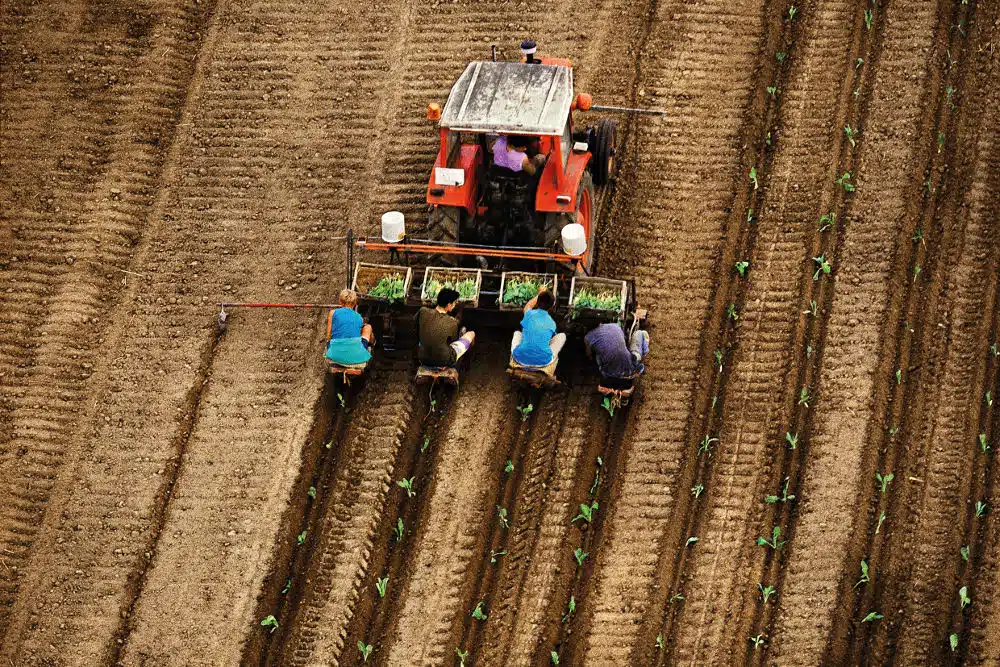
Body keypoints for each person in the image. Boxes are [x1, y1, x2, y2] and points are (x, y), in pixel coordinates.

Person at [510, 286, 565, 373]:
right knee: (562, 336)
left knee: (517, 333)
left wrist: (539, 293)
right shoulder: (552, 323)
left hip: (520, 358)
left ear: (537, 303)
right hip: (543, 362)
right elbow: (551, 338)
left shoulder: (529, 314)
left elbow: (528, 306)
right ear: (551, 307)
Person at [416, 287, 476, 367]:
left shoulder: (423, 311)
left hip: (422, 357)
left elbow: (416, 327)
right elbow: (453, 341)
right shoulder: (452, 322)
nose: (454, 305)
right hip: (444, 361)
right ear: (449, 305)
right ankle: (467, 361)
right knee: (471, 334)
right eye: (454, 303)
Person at [584, 322, 650, 386]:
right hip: (630, 371)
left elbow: (589, 355)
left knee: (598, 352)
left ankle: (604, 372)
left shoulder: (587, 337)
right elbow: (624, 339)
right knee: (639, 333)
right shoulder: (615, 325)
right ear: (600, 323)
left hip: (609, 373)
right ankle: (644, 352)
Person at [325, 289, 374, 367]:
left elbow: (328, 335)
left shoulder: (333, 313)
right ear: (355, 303)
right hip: (356, 357)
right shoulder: (359, 317)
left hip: (335, 355)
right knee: (368, 327)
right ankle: (371, 346)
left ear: (340, 301)